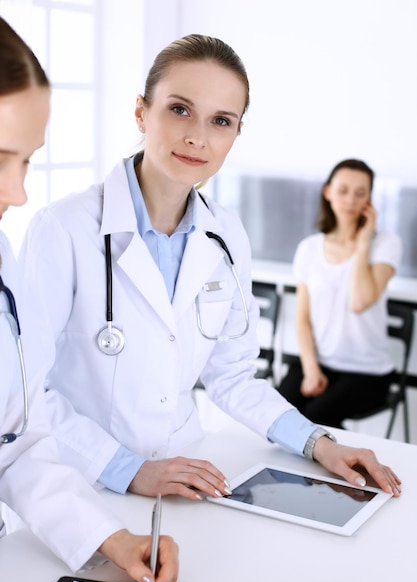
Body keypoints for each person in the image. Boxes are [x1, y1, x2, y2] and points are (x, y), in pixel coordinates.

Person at [18, 35, 401, 502]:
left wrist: (318, 442)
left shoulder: (226, 233)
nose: (198, 137)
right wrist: (127, 469)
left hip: (184, 475)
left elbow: (234, 376)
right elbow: (23, 389)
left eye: (221, 121)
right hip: (80, 482)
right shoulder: (63, 228)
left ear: (236, 133)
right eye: (180, 109)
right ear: (141, 111)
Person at [0, 16, 178, 582]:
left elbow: (16, 444)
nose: (18, 192)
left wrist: (110, 538)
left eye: (26, 160)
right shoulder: (64, 227)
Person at [278, 158, 402, 429]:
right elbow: (302, 320)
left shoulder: (385, 244)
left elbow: (360, 301)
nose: (351, 200)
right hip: (319, 361)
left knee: (317, 417)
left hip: (367, 373)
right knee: (279, 414)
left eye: (361, 193)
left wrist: (363, 242)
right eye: (343, 190)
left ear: (370, 199)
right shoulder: (309, 248)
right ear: (328, 192)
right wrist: (311, 370)